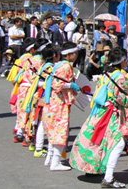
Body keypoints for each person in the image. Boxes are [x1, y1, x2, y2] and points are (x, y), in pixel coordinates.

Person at [70, 48, 128, 187]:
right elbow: (121, 99)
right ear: (122, 61)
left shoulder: (105, 74)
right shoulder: (122, 77)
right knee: (117, 143)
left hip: (99, 112)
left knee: (97, 140)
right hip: (111, 114)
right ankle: (109, 177)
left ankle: (93, 169)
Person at [43, 41, 80, 171]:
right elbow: (57, 84)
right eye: (75, 53)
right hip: (59, 103)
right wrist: (70, 85)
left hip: (53, 102)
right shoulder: (65, 67)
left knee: (53, 131)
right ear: (69, 54)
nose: (76, 55)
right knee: (59, 130)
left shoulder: (58, 65)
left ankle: (50, 157)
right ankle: (55, 161)